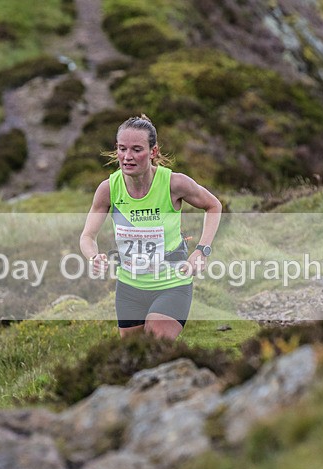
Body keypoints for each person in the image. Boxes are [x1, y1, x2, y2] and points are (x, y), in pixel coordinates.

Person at [80, 115, 222, 340]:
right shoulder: (108, 189)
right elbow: (87, 236)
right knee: (133, 353)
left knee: (155, 342)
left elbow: (214, 205)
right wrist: (93, 257)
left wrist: (201, 250)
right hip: (129, 287)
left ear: (153, 152)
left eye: (137, 149)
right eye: (122, 149)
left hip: (172, 282)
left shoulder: (174, 183)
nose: (128, 157)